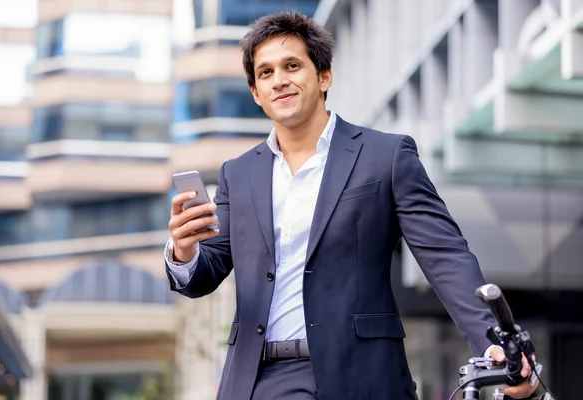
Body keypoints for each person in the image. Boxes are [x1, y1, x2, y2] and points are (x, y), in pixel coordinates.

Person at [164, 11, 539, 400]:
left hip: (362, 375)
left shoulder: (386, 157)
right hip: (259, 380)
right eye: (266, 73)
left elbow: (446, 258)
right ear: (257, 93)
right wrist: (185, 251)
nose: (279, 80)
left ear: (324, 76)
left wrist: (492, 343)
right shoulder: (237, 175)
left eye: (292, 65)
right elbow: (204, 273)